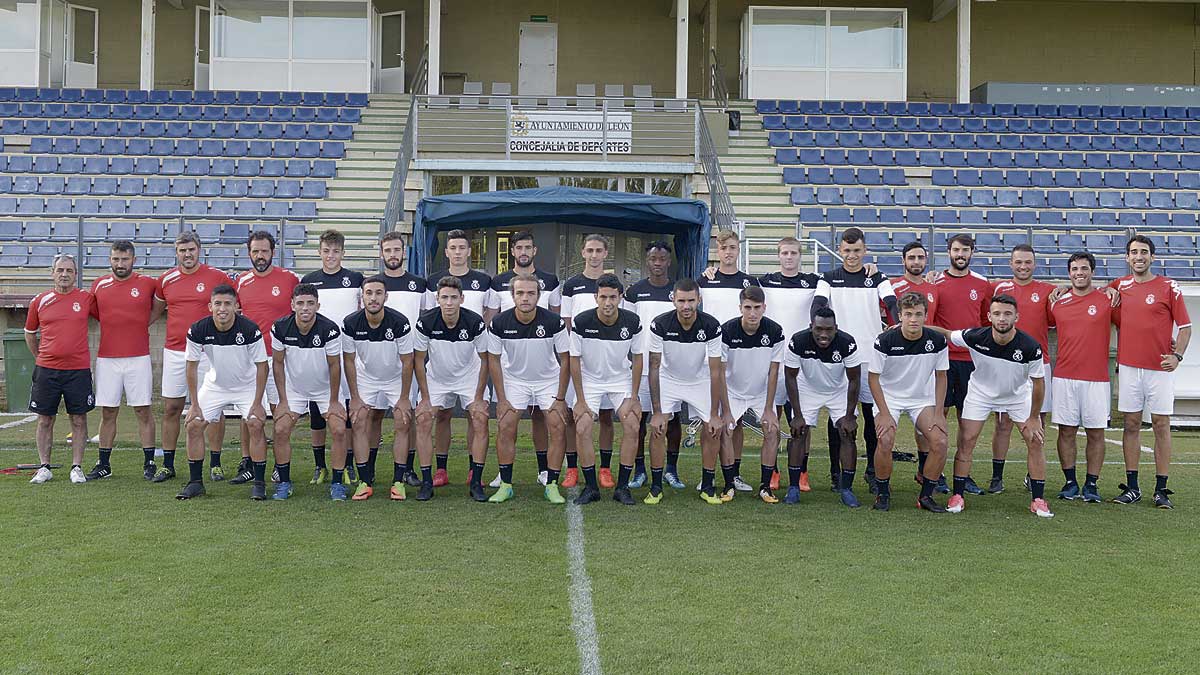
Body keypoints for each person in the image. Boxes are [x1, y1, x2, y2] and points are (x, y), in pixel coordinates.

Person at [928, 295, 1053, 518]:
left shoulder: (1030, 346)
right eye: (997, 313)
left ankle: (1038, 500)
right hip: (980, 394)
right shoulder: (975, 336)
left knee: (1036, 440)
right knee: (966, 441)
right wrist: (913, 326)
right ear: (989, 316)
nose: (1002, 318)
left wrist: (1034, 417)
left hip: (1017, 397)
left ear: (1017, 316)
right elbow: (946, 334)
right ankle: (958, 495)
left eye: (1007, 313)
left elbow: (1038, 384)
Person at [1107, 235, 1192, 509]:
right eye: (1133, 252)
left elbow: (1185, 327)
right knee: (1131, 424)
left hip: (1159, 369)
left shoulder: (1169, 286)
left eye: (1144, 252)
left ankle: (1161, 489)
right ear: (1127, 258)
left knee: (1160, 425)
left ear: (1152, 257)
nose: (1138, 256)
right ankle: (1132, 487)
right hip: (1130, 367)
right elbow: (1091, 295)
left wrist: (1177, 355)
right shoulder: (1119, 285)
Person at [812, 227, 898, 493]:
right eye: (847, 250)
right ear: (839, 250)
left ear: (865, 250)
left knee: (871, 419)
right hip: (840, 358)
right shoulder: (828, 278)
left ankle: (872, 472)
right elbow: (817, 306)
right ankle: (836, 473)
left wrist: (896, 325)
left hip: (870, 359)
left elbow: (893, 303)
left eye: (857, 250)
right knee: (839, 417)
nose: (852, 255)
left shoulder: (878, 278)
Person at [176, 285, 269, 500]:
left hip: (246, 387)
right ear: (210, 306)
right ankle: (196, 483)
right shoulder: (198, 329)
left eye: (228, 303)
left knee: (255, 423)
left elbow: (262, 366)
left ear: (237, 306)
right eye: (217, 303)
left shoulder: (250, 329)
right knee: (193, 424)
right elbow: (190, 366)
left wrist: (257, 402)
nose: (222, 308)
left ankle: (259, 483)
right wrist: (194, 404)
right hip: (215, 386)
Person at [484, 231, 561, 488]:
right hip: (513, 366)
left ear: (535, 250)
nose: (524, 251)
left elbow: (556, 319)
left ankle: (546, 473)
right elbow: (492, 317)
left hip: (544, 368)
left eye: (529, 246)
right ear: (513, 251)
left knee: (546, 419)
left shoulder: (550, 281)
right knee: (506, 422)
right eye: (519, 247)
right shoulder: (499, 283)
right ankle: (503, 476)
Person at [153, 231, 231, 483]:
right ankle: (167, 464)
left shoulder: (217, 277)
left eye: (191, 250)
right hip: (175, 350)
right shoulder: (165, 280)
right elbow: (154, 312)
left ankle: (216, 463)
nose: (187, 255)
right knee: (171, 408)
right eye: (182, 250)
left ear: (199, 250)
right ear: (176, 252)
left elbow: (229, 308)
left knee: (215, 408)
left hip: (209, 351)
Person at [487, 274, 571, 503]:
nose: (525, 298)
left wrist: (561, 398)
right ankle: (506, 485)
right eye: (520, 293)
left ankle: (551, 484)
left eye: (530, 293)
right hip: (514, 381)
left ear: (538, 296)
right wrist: (502, 398)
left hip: (548, 381)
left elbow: (566, 359)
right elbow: (493, 360)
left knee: (557, 427)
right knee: (505, 426)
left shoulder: (554, 322)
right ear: (512, 296)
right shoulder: (499, 322)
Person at [867, 292, 950, 513]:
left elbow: (941, 376)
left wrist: (939, 412)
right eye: (908, 314)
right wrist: (884, 413)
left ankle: (926, 496)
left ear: (925, 315)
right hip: (889, 398)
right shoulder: (884, 340)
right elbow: (873, 378)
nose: (913, 319)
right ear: (900, 316)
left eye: (918, 314)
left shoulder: (937, 340)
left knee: (940, 442)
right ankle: (882, 493)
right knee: (885, 440)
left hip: (921, 398)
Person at [648, 278, 728, 505]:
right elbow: (654, 366)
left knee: (713, 429)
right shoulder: (659, 324)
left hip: (699, 380)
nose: (686, 306)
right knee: (657, 429)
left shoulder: (711, 325)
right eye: (681, 300)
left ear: (699, 300)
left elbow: (714, 370)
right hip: (669, 379)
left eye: (691, 301)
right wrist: (656, 411)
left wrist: (714, 414)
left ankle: (708, 485)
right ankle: (656, 487)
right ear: (673, 300)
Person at [413, 277, 491, 502]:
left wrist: (477, 397)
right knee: (425, 419)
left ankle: (475, 481)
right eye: (444, 297)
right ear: (436, 299)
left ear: (462, 299)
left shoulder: (474, 321)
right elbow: (419, 360)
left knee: (479, 418)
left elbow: (485, 360)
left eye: (453, 297)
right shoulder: (426, 321)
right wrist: (426, 398)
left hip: (469, 376)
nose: (449, 302)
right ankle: (428, 481)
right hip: (437, 377)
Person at [424, 229, 492, 486]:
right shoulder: (433, 281)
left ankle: (474, 470)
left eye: (462, 247)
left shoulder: (483, 281)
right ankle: (440, 469)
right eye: (453, 247)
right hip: (441, 360)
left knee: (476, 416)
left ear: (469, 251)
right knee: (442, 415)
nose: (458, 252)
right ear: (447, 251)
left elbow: (490, 313)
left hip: (470, 359)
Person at [268, 284, 348, 500]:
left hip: (324, 389)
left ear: (317, 305)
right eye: (300, 303)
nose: (305, 308)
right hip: (295, 389)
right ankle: (284, 483)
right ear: (292, 304)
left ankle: (338, 484)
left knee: (339, 429)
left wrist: (333, 401)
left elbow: (334, 366)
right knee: (281, 429)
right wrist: (283, 400)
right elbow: (277, 363)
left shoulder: (329, 329)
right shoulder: (280, 327)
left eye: (310, 303)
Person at [88, 241, 161, 481]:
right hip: (108, 359)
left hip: (138, 357)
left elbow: (159, 306)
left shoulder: (148, 283)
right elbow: (98, 314)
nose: (120, 264)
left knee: (143, 410)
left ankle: (149, 462)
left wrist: (141, 324)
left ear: (134, 260)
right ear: (110, 260)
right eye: (116, 259)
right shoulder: (98, 285)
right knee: (108, 412)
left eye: (125, 259)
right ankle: (104, 464)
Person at [230, 230, 298, 485]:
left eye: (265, 251)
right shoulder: (241, 282)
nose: (260, 256)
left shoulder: (289, 279)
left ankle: (281, 465)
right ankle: (248, 462)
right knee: (249, 411)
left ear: (273, 252)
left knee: (280, 411)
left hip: (280, 358)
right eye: (255, 251)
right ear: (249, 253)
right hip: (249, 358)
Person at [569, 274, 643, 505]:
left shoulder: (633, 321)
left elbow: (638, 359)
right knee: (582, 426)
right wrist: (580, 400)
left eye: (613, 297)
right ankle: (591, 487)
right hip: (590, 380)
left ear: (620, 297)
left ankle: (622, 487)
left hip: (620, 379)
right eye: (603, 297)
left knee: (632, 424)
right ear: (596, 298)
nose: (608, 302)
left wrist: (633, 396)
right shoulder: (581, 321)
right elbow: (573, 360)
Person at [987, 244, 1056, 493]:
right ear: (1011, 264)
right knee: (1002, 421)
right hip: (1006, 364)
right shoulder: (999, 289)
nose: (1023, 267)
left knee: (1038, 419)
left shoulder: (1049, 292)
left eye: (1027, 262)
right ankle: (997, 476)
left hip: (1038, 364)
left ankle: (1032, 474)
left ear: (1034, 264)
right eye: (1018, 262)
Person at [697, 229, 760, 492]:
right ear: (717, 251)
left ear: (738, 249)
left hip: (739, 355)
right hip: (711, 354)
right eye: (724, 248)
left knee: (737, 418)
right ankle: (708, 474)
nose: (728, 252)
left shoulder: (749, 282)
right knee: (709, 417)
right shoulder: (704, 280)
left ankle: (734, 474)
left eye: (733, 248)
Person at [929, 233, 992, 496]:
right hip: (943, 361)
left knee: (967, 420)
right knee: (938, 417)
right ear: (949, 252)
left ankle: (963, 475)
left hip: (971, 362)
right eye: (956, 250)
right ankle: (937, 473)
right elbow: (929, 322)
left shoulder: (982, 283)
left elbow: (986, 320)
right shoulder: (936, 282)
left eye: (965, 250)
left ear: (972, 252)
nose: (961, 255)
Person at [760, 236, 824, 492]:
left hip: (803, 360)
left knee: (802, 421)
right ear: (778, 255)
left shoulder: (815, 282)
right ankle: (772, 470)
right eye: (785, 253)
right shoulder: (764, 282)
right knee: (773, 419)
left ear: (800, 256)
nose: (789, 257)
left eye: (793, 253)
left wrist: (871, 269)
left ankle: (802, 471)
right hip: (774, 359)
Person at [1050, 252, 1115, 504]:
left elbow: (1133, 322)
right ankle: (1070, 482)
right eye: (1075, 269)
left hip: (1097, 379)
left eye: (1084, 268)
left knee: (1095, 433)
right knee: (1066, 431)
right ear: (1069, 273)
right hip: (1064, 377)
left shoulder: (1107, 300)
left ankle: (1091, 484)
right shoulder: (1057, 301)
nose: (1079, 273)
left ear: (1092, 271)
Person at [343, 276, 416, 500]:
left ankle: (398, 482)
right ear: (362, 296)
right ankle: (365, 481)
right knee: (358, 421)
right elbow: (348, 360)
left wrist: (404, 397)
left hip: (396, 378)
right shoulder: (350, 322)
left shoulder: (400, 322)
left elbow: (407, 361)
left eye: (378, 293)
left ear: (386, 296)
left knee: (403, 421)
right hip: (367, 378)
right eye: (369, 293)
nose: (373, 298)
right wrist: (354, 397)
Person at [783, 307, 863, 507]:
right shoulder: (798, 341)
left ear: (836, 328)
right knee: (798, 432)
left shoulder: (847, 342)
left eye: (828, 329)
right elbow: (790, 377)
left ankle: (846, 489)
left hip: (839, 389)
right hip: (808, 387)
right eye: (819, 329)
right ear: (811, 327)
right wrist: (798, 415)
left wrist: (850, 415)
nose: (823, 334)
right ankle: (793, 487)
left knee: (847, 433)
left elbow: (854, 380)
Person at [300, 229, 363, 485]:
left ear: (343, 253)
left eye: (336, 251)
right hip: (317, 352)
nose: (331, 256)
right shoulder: (309, 280)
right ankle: (320, 466)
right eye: (326, 251)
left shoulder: (356, 279)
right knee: (317, 413)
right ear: (319, 252)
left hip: (346, 352)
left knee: (345, 411)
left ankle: (347, 465)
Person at [25, 254, 94, 485]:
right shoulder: (40, 301)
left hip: (78, 370)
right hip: (47, 370)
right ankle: (44, 466)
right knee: (45, 419)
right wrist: (40, 357)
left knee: (79, 419)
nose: (64, 274)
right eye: (60, 270)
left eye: (69, 271)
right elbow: (29, 333)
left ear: (76, 274)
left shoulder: (86, 298)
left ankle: (77, 467)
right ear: (52, 273)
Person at [559, 234, 616, 489]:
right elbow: (567, 323)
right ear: (583, 253)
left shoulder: (613, 286)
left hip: (607, 362)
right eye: (589, 250)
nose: (594, 255)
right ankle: (572, 468)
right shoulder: (572, 285)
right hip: (580, 362)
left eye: (599, 251)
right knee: (574, 416)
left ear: (606, 253)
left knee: (605, 417)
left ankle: (604, 468)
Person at [623, 241, 682, 488]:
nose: (657, 263)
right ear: (647, 261)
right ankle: (639, 471)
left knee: (673, 420)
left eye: (662, 259)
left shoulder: (677, 292)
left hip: (670, 369)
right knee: (638, 420)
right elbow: (626, 329)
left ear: (669, 262)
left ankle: (671, 469)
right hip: (642, 368)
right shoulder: (634, 292)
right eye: (653, 259)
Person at [888, 240, 946, 492]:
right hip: (897, 362)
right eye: (911, 257)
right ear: (903, 260)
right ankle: (878, 478)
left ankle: (925, 471)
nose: (916, 262)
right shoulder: (891, 285)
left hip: (926, 361)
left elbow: (936, 321)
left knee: (926, 424)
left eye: (920, 257)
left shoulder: (934, 288)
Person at [719, 286, 785, 504]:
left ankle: (765, 487)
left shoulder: (775, 331)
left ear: (764, 307)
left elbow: (774, 370)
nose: (753, 313)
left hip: (760, 392)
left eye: (757, 307)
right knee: (726, 431)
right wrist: (726, 411)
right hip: (733, 391)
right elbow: (719, 371)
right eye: (748, 307)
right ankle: (729, 484)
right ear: (740, 308)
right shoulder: (726, 331)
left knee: (772, 430)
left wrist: (769, 408)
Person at [379, 231, 431, 487]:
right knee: (373, 416)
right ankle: (367, 470)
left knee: (406, 416)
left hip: (408, 361)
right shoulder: (373, 284)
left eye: (396, 250)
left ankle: (407, 469)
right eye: (387, 251)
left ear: (404, 253)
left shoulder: (419, 284)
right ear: (382, 254)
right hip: (376, 361)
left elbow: (427, 317)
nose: (392, 255)